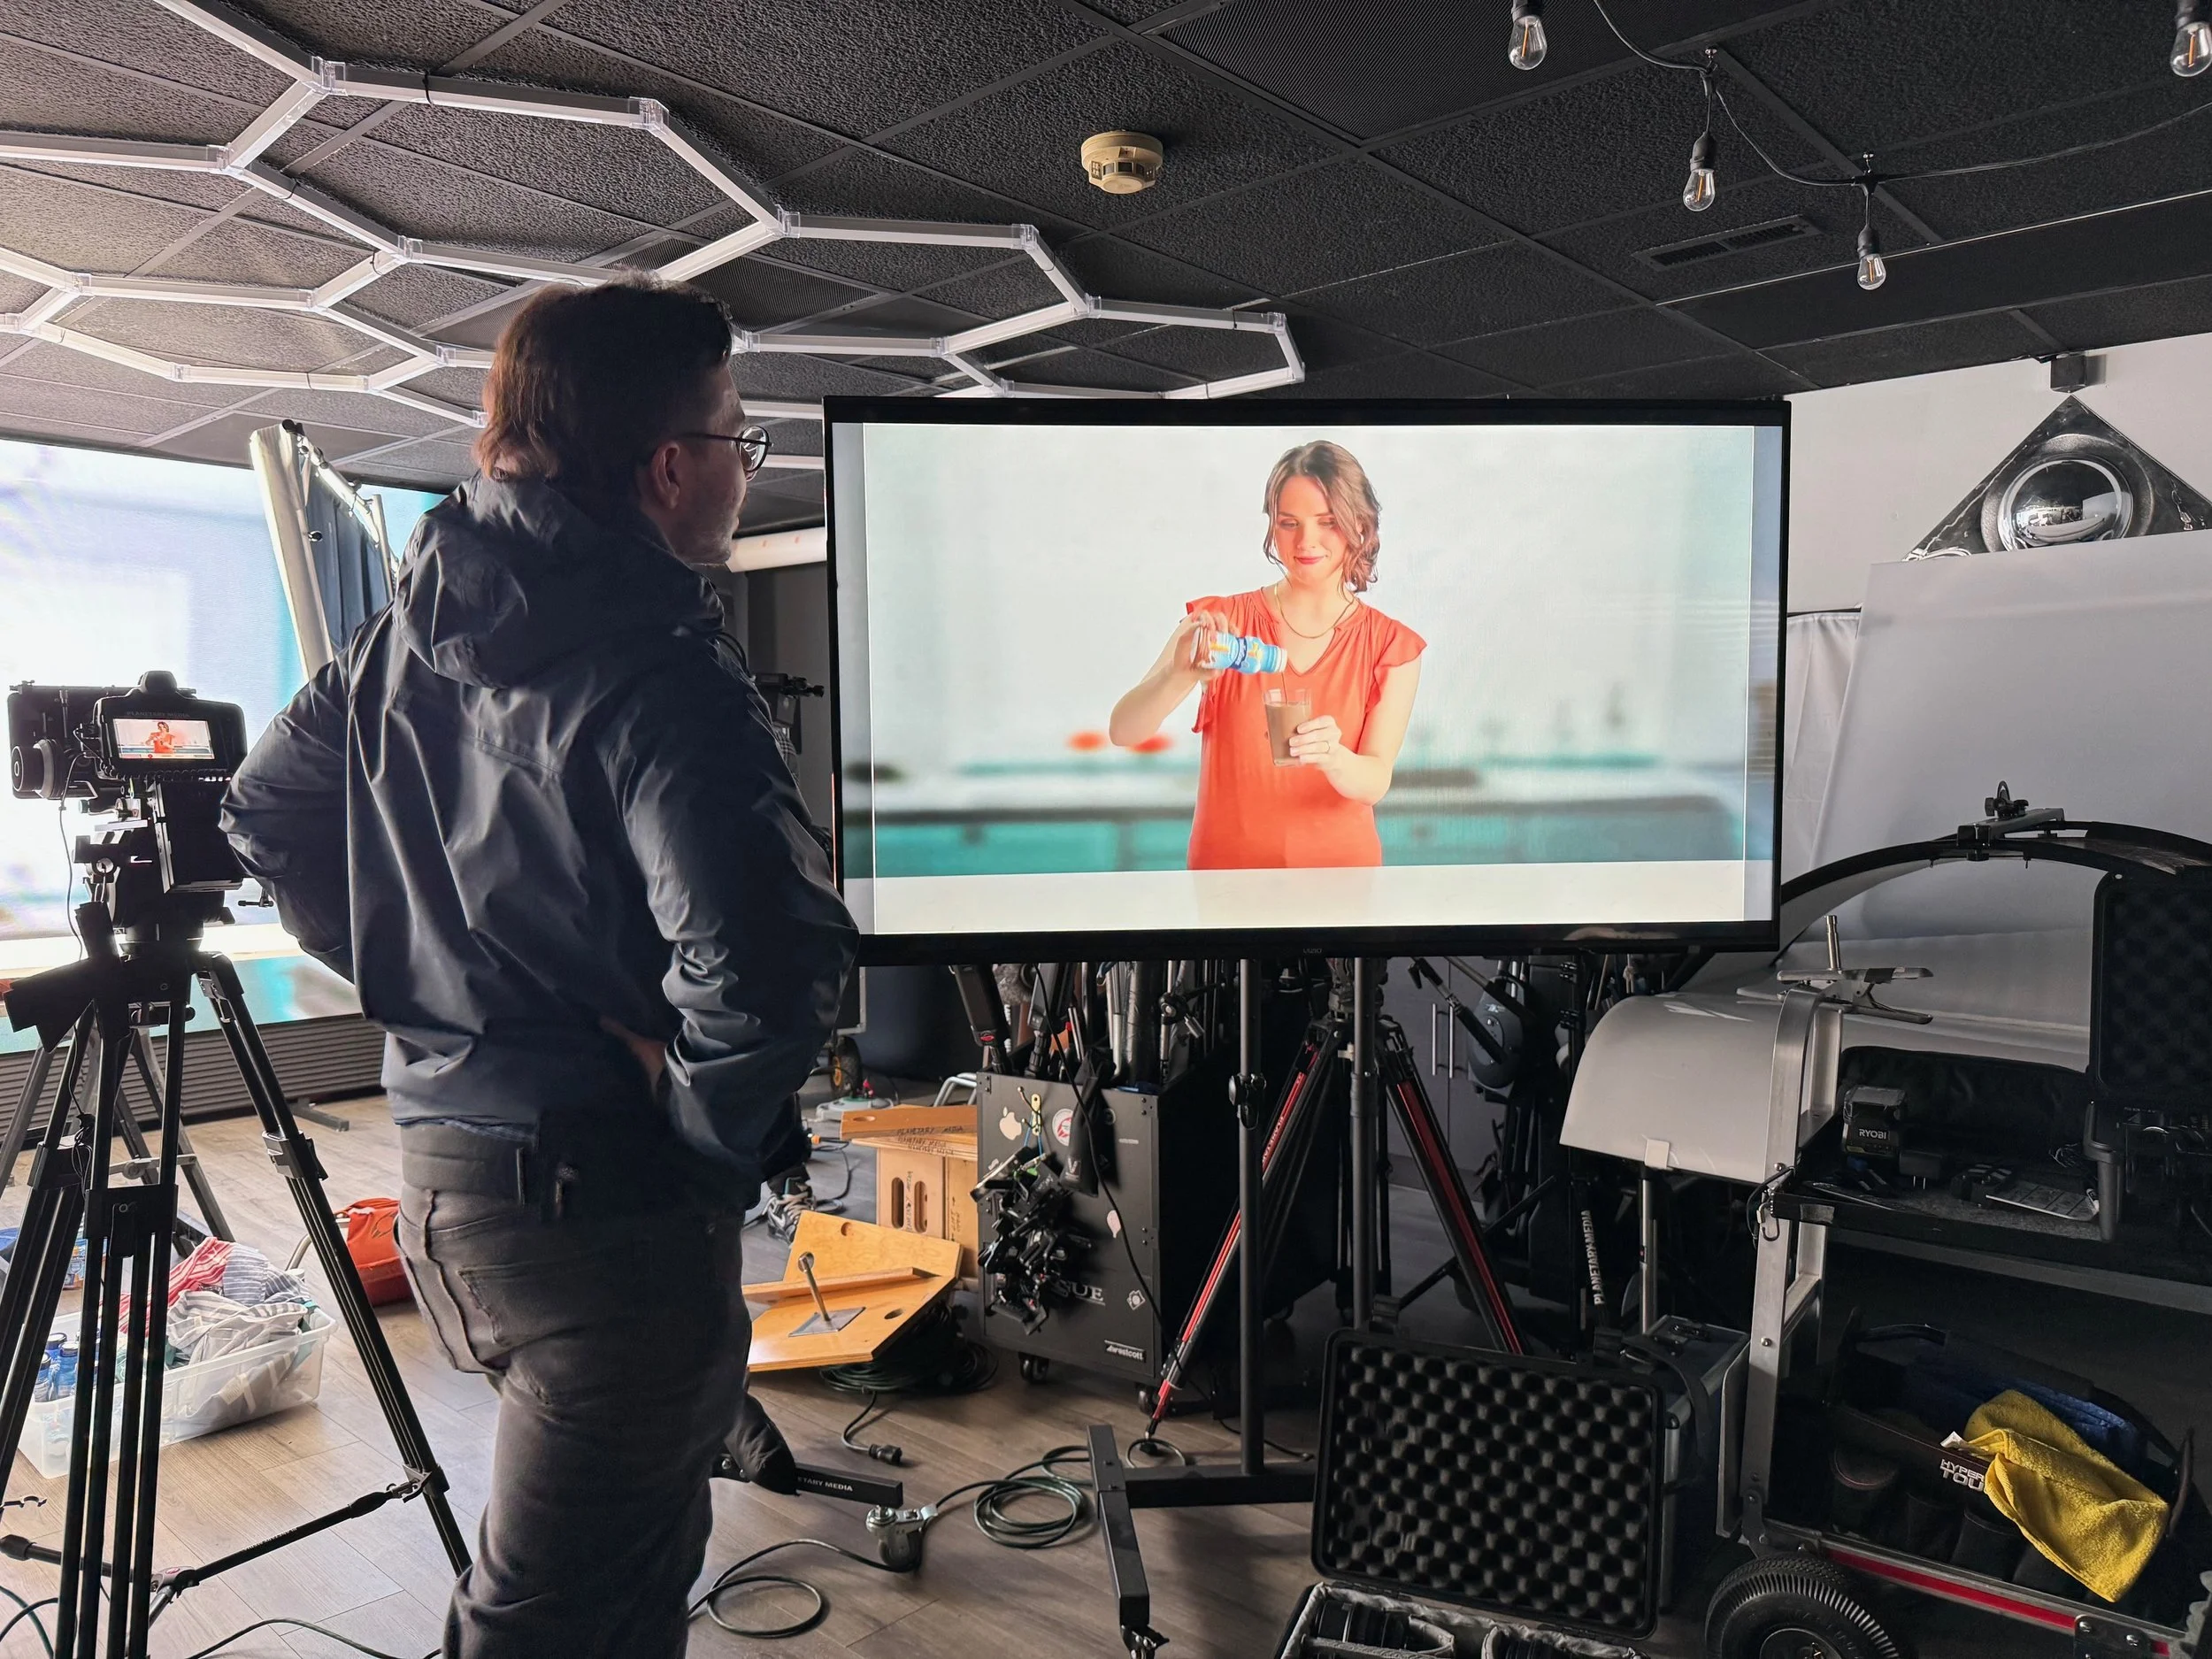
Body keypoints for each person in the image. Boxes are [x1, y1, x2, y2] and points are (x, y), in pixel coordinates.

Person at [221, 278, 856, 1657]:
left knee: (563, 1603)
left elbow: (264, 806)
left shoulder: (402, 631)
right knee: (564, 1630)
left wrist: (423, 977)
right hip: (603, 1222)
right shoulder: (659, 662)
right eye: (741, 439)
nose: (746, 471)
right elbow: (765, 961)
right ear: (669, 466)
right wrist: (694, 1119)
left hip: (449, 1192)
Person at [1109, 439, 1425, 869]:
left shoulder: (1392, 647)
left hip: (1341, 880)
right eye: (1288, 523)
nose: (1306, 542)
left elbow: (1374, 781)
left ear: (1361, 524)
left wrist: (1333, 756)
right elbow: (1124, 731)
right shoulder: (1219, 625)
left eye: (1327, 521)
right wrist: (1180, 676)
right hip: (1226, 881)